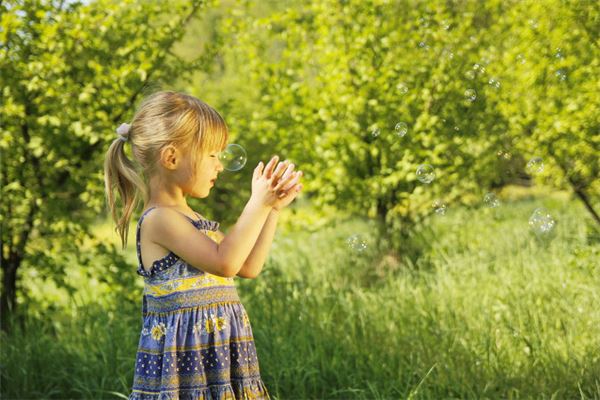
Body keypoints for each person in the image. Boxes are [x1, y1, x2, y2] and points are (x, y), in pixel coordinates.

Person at [103, 90, 303, 399]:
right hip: (187, 368)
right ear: (171, 158)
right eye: (211, 155)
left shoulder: (194, 219)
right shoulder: (159, 220)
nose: (219, 166)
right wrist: (255, 203)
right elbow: (225, 262)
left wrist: (271, 209)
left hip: (220, 360)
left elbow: (246, 266)